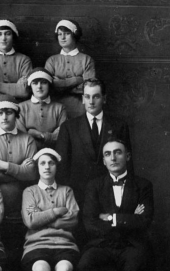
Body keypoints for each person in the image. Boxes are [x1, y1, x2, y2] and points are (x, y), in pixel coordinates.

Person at [79, 138, 153, 271]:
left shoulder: (143, 185)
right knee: (85, 264)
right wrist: (125, 219)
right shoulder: (94, 186)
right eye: (108, 154)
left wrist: (111, 218)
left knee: (136, 264)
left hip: (132, 245)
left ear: (127, 156)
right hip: (102, 243)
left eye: (118, 152)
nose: (113, 157)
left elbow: (145, 220)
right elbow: (90, 222)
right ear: (103, 160)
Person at [21, 148, 79, 271]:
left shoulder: (67, 191)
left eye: (51, 163)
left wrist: (44, 219)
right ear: (37, 167)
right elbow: (30, 221)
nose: (47, 167)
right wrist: (56, 212)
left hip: (64, 244)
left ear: (57, 166)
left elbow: (72, 220)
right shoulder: (29, 192)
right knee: (41, 270)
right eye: (43, 163)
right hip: (36, 245)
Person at [55, 78, 132, 207]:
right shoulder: (68, 127)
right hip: (78, 197)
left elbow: (128, 165)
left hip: (111, 196)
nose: (91, 101)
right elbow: (62, 168)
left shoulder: (119, 126)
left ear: (104, 99)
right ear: (83, 99)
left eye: (96, 96)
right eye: (87, 97)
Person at [0, 95, 38, 232]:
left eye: (9, 112)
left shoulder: (27, 139)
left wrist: (5, 166)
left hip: (20, 203)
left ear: (16, 115)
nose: (4, 117)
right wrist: (20, 171)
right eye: (0, 113)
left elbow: (32, 173)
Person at [45, 19, 96, 119]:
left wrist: (59, 83)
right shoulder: (52, 60)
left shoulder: (86, 59)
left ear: (75, 35)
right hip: (55, 108)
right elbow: (48, 87)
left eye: (67, 33)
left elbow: (88, 88)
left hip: (79, 108)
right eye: (60, 34)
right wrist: (77, 80)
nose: (63, 37)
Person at [16, 68, 67, 149]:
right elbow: (22, 136)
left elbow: (62, 133)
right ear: (30, 86)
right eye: (35, 83)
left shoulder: (59, 108)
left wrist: (40, 135)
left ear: (49, 85)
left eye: (44, 83)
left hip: (53, 151)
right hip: (29, 151)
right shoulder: (21, 107)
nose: (39, 86)